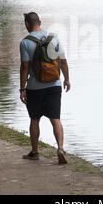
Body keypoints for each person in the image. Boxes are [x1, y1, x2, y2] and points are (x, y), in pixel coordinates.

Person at [19, 12, 71, 164]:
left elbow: (25, 68)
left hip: (34, 88)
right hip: (54, 84)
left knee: (34, 119)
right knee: (56, 119)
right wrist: (66, 79)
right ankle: (60, 148)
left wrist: (22, 89)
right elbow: (63, 61)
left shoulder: (25, 43)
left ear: (27, 24)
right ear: (40, 22)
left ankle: (34, 152)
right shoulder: (54, 38)